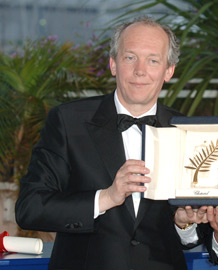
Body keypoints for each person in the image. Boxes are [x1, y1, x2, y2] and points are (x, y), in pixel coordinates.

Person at [16, 16, 203, 270]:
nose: (140, 70)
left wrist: (185, 225)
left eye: (153, 60)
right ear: (113, 64)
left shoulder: (188, 131)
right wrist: (105, 197)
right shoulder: (68, 121)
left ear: (168, 70)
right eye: (130, 57)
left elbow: (194, 236)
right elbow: (30, 208)